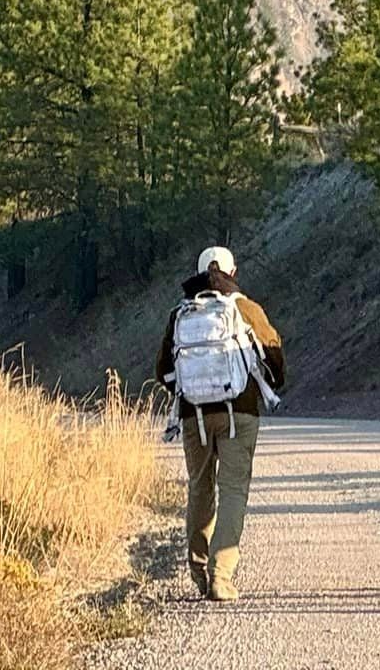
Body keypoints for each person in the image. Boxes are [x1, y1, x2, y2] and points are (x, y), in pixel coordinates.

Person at [155, 245, 286, 603]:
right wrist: (266, 383)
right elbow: (275, 356)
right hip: (239, 412)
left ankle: (197, 572)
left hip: (192, 415)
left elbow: (162, 370)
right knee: (232, 491)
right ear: (234, 272)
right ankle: (221, 576)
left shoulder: (180, 313)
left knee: (199, 489)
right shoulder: (245, 308)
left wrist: (193, 392)